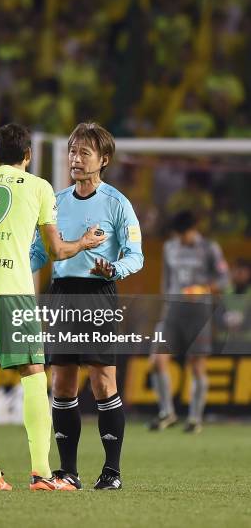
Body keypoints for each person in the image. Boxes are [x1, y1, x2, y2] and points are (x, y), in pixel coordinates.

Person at [0, 123, 105, 492]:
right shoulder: (38, 187)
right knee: (33, 373)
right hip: (12, 290)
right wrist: (83, 242)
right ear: (28, 155)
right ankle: (40, 473)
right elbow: (56, 251)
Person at [30, 122, 144, 491]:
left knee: (102, 380)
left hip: (99, 292)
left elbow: (136, 255)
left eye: (84, 153)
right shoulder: (56, 202)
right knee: (61, 383)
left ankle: (112, 472)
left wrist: (115, 267)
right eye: (72, 151)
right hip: (61, 292)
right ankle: (68, 473)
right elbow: (37, 252)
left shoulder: (117, 203)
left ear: (104, 159)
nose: (75, 159)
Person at [149, 210, 229, 434]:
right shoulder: (169, 247)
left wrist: (203, 289)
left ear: (193, 229)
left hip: (199, 312)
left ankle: (195, 419)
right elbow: (166, 280)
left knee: (196, 365)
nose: (180, 238)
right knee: (157, 359)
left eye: (183, 233)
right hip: (173, 310)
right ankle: (167, 412)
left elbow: (224, 279)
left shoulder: (209, 248)